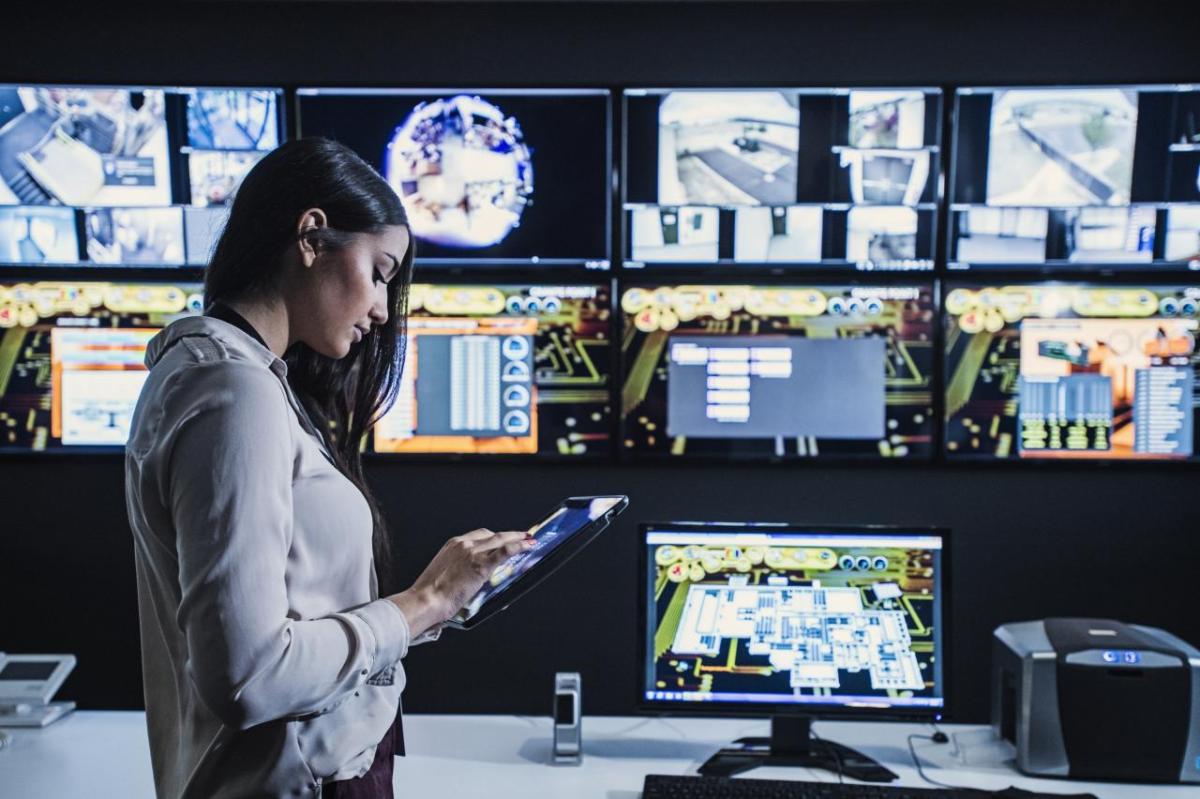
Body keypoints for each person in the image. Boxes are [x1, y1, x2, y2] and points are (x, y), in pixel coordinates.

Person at [125, 137, 533, 799]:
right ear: (311, 236)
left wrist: (442, 600)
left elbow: (298, 614)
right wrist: (422, 602)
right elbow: (250, 677)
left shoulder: (230, 377)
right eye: (379, 270)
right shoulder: (232, 389)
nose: (380, 306)